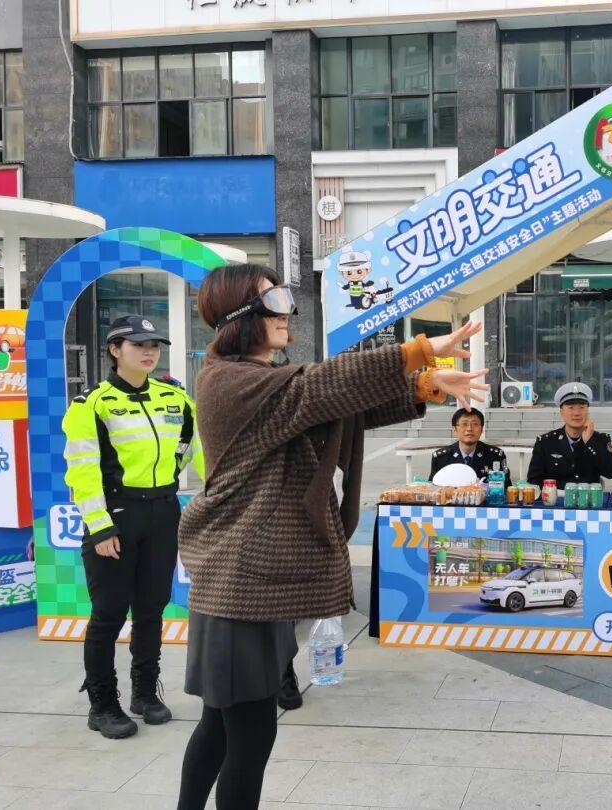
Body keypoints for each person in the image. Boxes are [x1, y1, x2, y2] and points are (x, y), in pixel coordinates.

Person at [176, 264, 486, 810]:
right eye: (274, 300)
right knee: (246, 733)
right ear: (239, 315)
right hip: (237, 580)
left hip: (255, 581)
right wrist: (416, 353)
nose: (287, 312)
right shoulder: (228, 380)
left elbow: (333, 408)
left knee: (223, 725)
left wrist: (421, 386)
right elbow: (319, 387)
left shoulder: (263, 380)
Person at [63, 315, 204, 740]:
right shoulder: (92, 404)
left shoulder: (176, 398)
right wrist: (100, 527)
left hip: (164, 511)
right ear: (114, 349)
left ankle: (144, 693)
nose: (149, 352)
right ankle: (103, 704)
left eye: (154, 345)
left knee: (151, 609)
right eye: (138, 344)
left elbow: (198, 451)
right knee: (108, 614)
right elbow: (83, 470)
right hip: (116, 516)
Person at [526, 382, 612, 490]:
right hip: (556, 499)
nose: (576, 413)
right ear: (561, 412)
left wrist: (590, 443)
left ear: (587, 410)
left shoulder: (600, 440)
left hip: (588, 498)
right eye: (571, 408)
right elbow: (534, 482)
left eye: (581, 407)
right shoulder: (546, 442)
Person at [430, 407, 511, 487]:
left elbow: (507, 488)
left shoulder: (495, 456)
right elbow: (432, 488)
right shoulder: (441, 458)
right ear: (454, 429)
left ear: (481, 429)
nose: (469, 429)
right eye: (464, 424)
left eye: (475, 424)